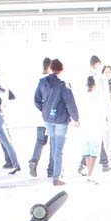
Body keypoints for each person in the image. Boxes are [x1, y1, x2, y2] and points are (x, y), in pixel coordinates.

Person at [33, 58, 79, 187]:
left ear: (51, 68)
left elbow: (36, 100)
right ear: (62, 69)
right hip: (61, 119)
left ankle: (57, 172)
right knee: (59, 148)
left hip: (48, 119)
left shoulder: (43, 82)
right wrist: (75, 118)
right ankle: (57, 176)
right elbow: (70, 102)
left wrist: (44, 110)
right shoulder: (63, 84)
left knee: (54, 146)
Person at [78, 75, 106, 183]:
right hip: (95, 125)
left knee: (87, 150)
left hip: (85, 125)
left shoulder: (83, 96)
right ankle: (90, 174)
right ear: (95, 84)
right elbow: (101, 112)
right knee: (94, 150)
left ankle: (89, 174)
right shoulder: (98, 96)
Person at [28, 57, 54, 178]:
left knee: (40, 141)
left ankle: (33, 161)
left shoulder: (35, 78)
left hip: (37, 116)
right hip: (49, 115)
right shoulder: (49, 80)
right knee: (53, 142)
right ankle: (51, 169)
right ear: (49, 66)